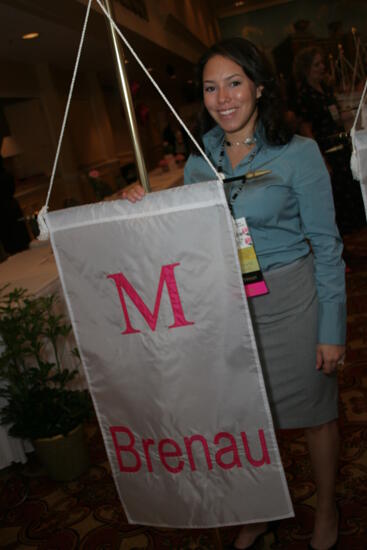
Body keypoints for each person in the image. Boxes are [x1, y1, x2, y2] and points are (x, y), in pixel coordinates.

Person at [122, 38, 346, 550]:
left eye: (234, 82)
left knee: (315, 414)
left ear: (260, 87)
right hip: (230, 308)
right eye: (210, 87)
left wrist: (332, 329)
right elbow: (181, 232)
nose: (223, 98)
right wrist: (140, 202)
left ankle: (327, 505)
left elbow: (329, 247)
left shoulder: (298, 153)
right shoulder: (201, 162)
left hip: (294, 301)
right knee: (247, 418)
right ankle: (262, 508)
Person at [293, 46, 366, 236]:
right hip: (325, 151)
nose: (322, 67)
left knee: (352, 194)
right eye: (317, 64)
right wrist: (320, 159)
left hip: (341, 147)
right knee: (338, 200)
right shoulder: (304, 96)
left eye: (322, 63)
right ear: (306, 68)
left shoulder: (325, 89)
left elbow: (333, 117)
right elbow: (306, 129)